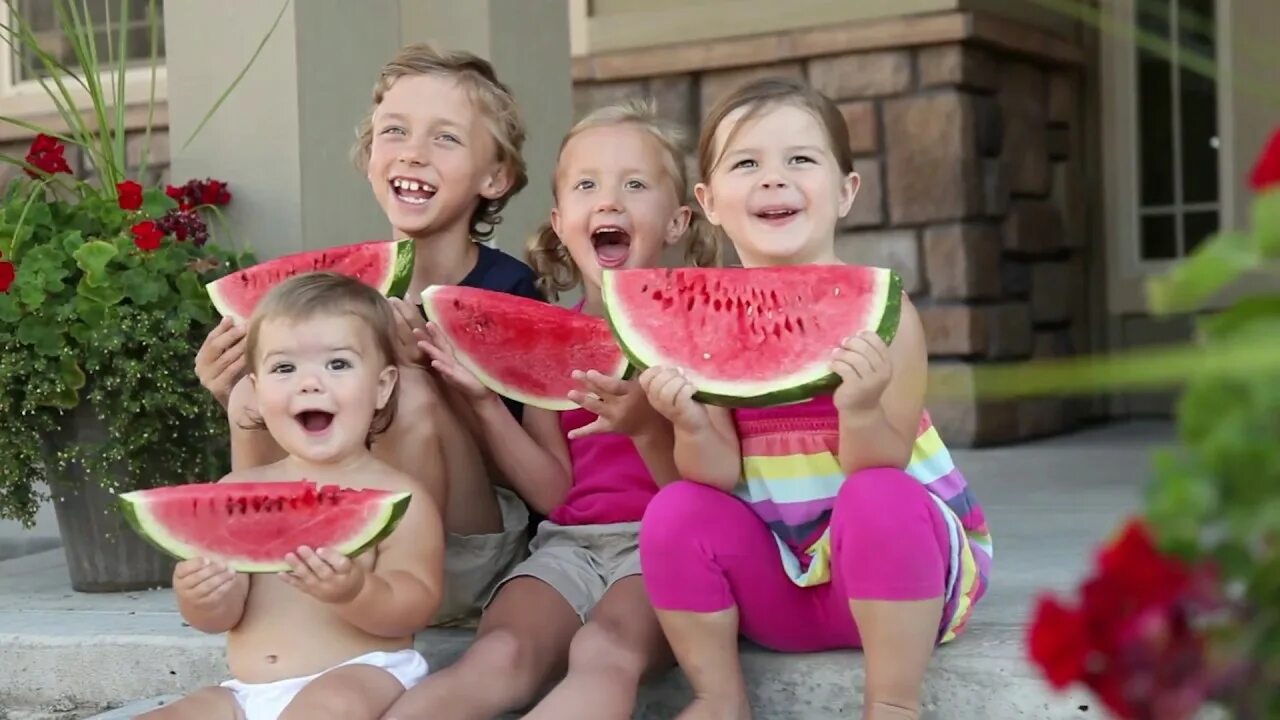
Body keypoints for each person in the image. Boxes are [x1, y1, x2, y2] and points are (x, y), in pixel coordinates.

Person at [634, 77, 994, 720]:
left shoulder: (887, 313)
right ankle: (718, 699)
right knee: (675, 510)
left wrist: (857, 408)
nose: (775, 179)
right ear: (709, 201)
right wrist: (687, 419)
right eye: (747, 164)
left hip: (899, 583)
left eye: (800, 159)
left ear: (846, 191)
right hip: (781, 585)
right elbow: (714, 473)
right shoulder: (706, 325)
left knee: (877, 496)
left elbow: (880, 458)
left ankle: (893, 701)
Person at [380, 98, 718, 720]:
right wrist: (482, 402)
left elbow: (712, 493)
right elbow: (554, 491)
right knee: (498, 653)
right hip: (567, 545)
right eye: (587, 185)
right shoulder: (551, 338)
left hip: (668, 547)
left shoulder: (701, 330)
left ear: (676, 222)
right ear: (562, 223)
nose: (609, 201)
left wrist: (646, 430)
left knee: (605, 649)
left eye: (634, 184)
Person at [192, 43, 543, 626]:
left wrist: (435, 374)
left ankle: (385, 586)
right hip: (334, 542)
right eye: (395, 132)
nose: (414, 154)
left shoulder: (507, 290)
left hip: (457, 547)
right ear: (369, 154)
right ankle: (262, 553)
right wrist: (232, 389)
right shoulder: (339, 293)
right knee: (256, 397)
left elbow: (518, 475)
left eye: (445, 138)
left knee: (409, 389)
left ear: (495, 176)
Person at [142, 272, 444, 720]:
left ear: (382, 387)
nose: (309, 383)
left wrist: (356, 591)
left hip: (364, 674)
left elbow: (414, 607)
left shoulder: (400, 498)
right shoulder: (236, 493)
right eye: (284, 368)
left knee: (330, 704)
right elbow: (218, 619)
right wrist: (202, 596)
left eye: (337, 364)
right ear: (258, 392)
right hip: (247, 693)